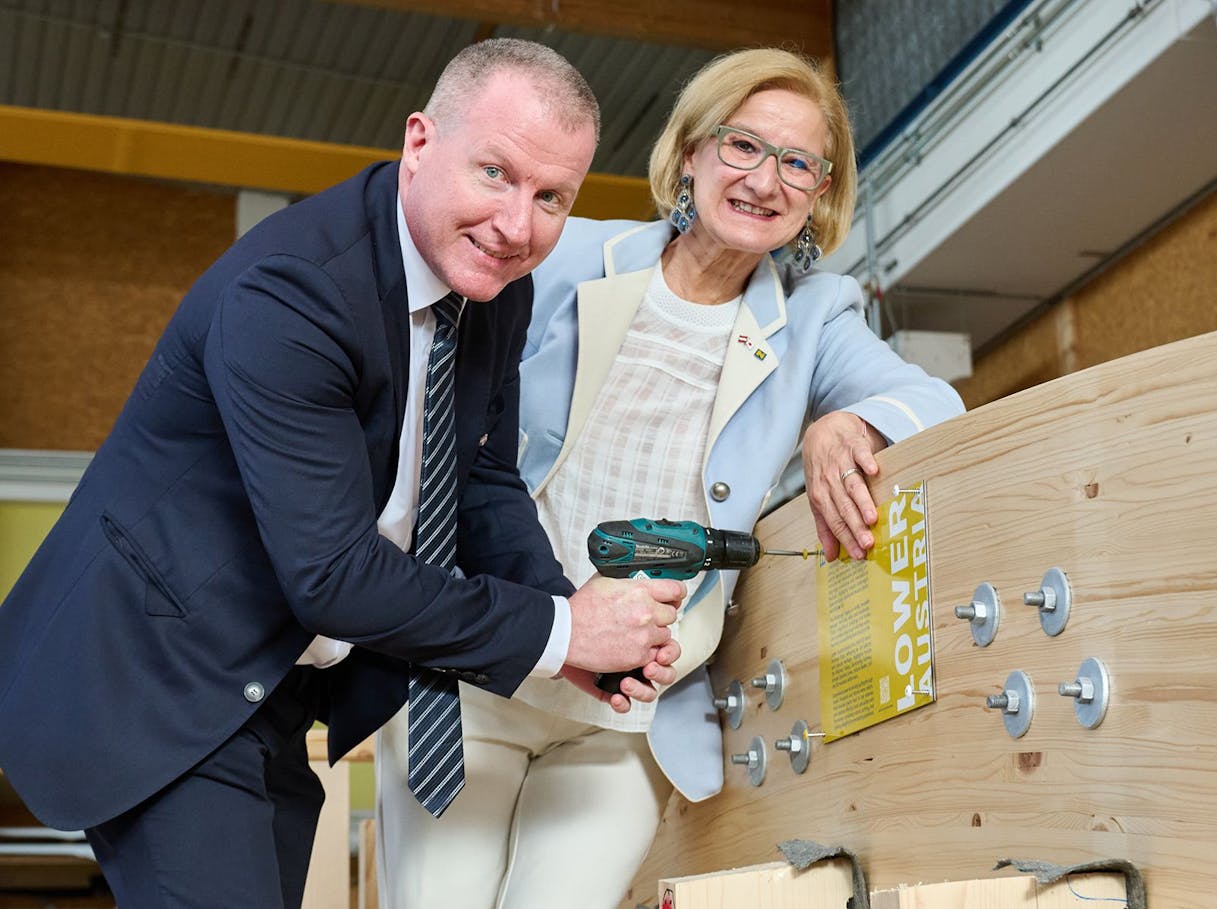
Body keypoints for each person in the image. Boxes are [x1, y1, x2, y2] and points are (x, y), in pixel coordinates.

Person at [0, 39, 685, 909]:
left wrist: (572, 631)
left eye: (552, 197)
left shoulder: (495, 289)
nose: (518, 225)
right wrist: (559, 629)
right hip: (159, 675)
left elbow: (481, 482)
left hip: (279, 688)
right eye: (495, 173)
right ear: (420, 142)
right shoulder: (292, 293)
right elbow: (332, 574)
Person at [375, 47, 966, 908]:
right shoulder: (565, 254)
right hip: (484, 659)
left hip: (629, 712)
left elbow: (933, 401)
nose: (766, 180)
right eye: (743, 146)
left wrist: (852, 417)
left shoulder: (812, 320)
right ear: (690, 153)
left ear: (819, 195)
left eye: (799, 163)